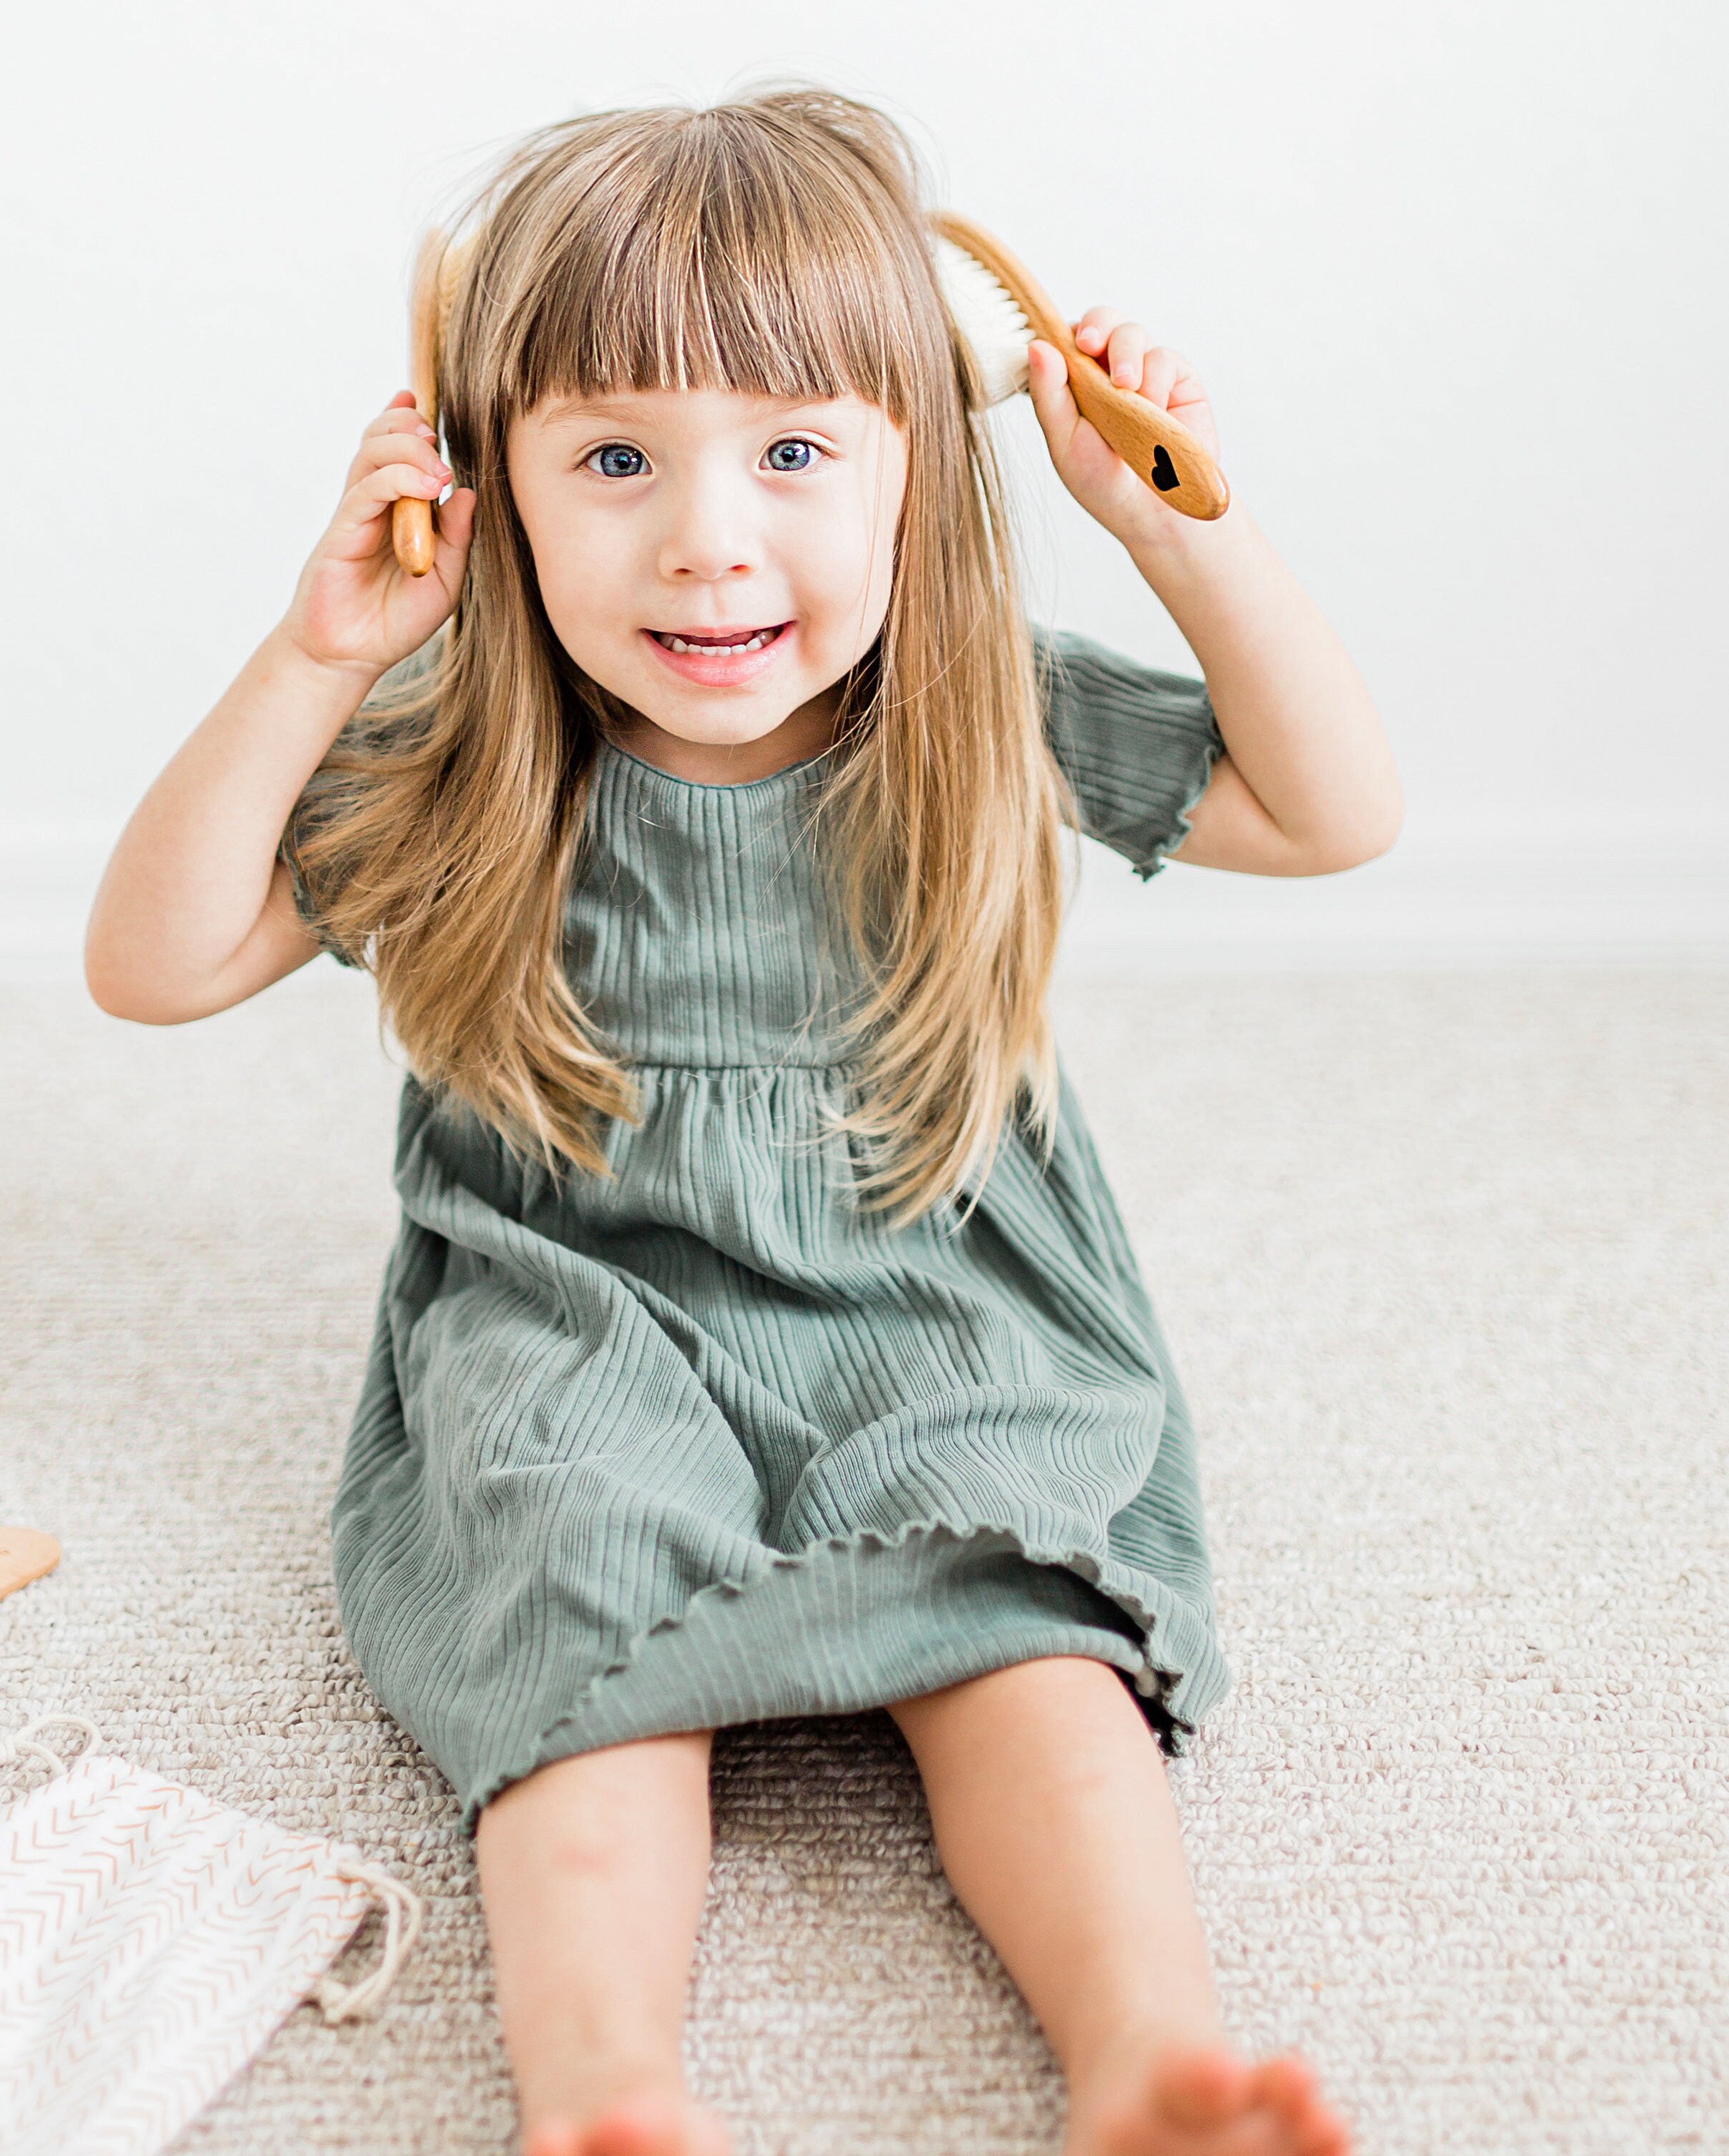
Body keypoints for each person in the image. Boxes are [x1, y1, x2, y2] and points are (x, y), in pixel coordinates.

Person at [86, 87, 1397, 2156]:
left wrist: (1171, 521)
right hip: (575, 1287)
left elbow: (1334, 816)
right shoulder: (467, 747)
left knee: (1032, 1638)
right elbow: (153, 962)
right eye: (613, 458)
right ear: (483, 488)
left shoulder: (976, 702)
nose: (710, 535)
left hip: (931, 1260)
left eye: (795, 451)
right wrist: (314, 654)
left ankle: (1146, 2064)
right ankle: (605, 2097)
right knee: (576, 1582)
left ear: (917, 474)